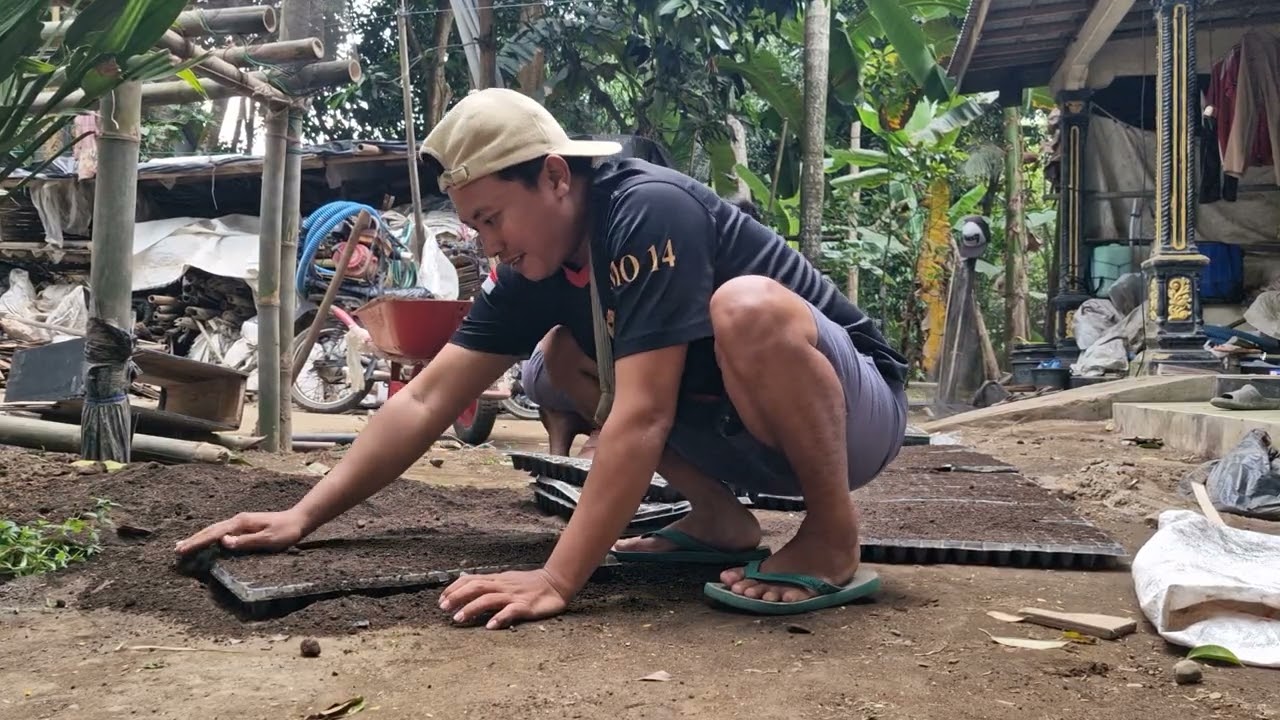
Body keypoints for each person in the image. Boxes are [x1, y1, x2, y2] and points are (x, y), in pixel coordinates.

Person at [176, 89, 908, 627]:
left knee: (746, 307)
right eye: (473, 227)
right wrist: (301, 517)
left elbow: (646, 413)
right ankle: (720, 519)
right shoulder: (535, 270)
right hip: (742, 434)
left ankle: (831, 534)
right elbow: (428, 399)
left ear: (557, 178)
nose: (487, 244)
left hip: (856, 414)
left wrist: (558, 579)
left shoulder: (648, 209)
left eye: (491, 219)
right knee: (558, 357)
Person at [520, 194, 762, 460]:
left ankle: (582, 435)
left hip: (555, 370)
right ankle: (600, 434)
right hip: (554, 370)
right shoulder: (659, 266)